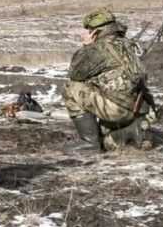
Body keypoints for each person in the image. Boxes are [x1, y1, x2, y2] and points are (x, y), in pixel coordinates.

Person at [64, 8, 154, 151]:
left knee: (71, 88)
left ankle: (89, 143)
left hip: (117, 109)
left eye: (89, 29)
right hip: (138, 107)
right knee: (109, 141)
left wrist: (86, 47)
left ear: (95, 32)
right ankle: (131, 130)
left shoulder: (99, 48)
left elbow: (75, 74)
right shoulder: (127, 43)